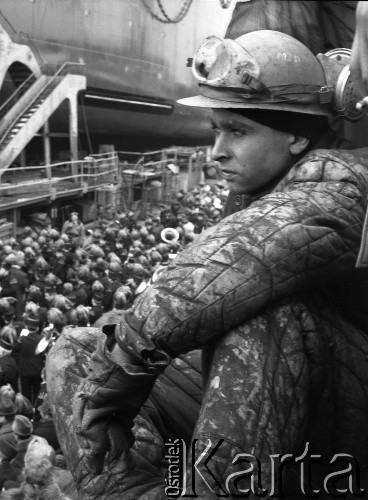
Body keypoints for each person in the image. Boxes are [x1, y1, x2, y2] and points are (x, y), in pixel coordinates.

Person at [46, 30, 368, 498]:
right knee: (80, 347)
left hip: (345, 415)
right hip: (287, 398)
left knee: (266, 317)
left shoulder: (347, 182)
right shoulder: (256, 187)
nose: (216, 151)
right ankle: (142, 489)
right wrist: (116, 356)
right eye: (216, 129)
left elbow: (232, 264)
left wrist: (123, 370)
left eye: (236, 130)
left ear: (298, 138)